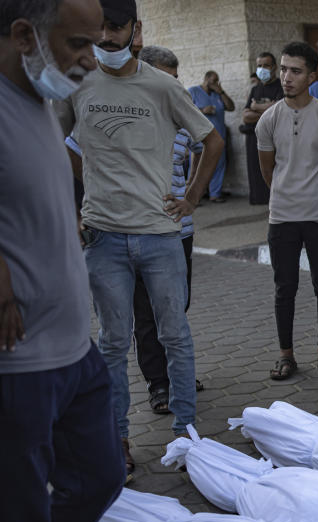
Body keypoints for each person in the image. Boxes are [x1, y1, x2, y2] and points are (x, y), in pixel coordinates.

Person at [0, 0, 125, 522]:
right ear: (25, 35)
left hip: (76, 348)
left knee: (101, 476)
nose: (90, 58)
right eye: (78, 44)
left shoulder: (41, 99)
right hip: (20, 365)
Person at [66, 0, 225, 478]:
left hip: (160, 236)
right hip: (104, 238)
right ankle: (118, 440)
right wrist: (78, 206)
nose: (108, 39)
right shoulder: (76, 86)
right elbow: (65, 149)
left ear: (136, 30)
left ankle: (185, 435)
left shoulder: (162, 87)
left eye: (117, 29)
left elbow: (211, 140)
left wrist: (192, 197)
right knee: (112, 342)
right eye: (101, 30)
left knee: (174, 334)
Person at [65, 44, 204, 415]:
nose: (171, 86)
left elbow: (206, 147)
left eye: (175, 80)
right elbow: (70, 147)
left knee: (174, 321)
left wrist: (190, 197)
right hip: (117, 231)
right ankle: (157, 385)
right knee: (136, 323)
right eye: (164, 78)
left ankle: (182, 405)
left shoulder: (178, 113)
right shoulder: (112, 106)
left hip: (174, 231)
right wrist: (94, 184)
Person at [257, 41, 318, 380]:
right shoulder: (268, 119)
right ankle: (286, 355)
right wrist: (287, 193)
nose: (286, 77)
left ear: (311, 76)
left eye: (295, 71)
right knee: (285, 287)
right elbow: (268, 172)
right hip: (281, 216)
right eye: (283, 69)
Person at [242, 52, 282, 205]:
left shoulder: (280, 87)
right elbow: (245, 116)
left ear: (274, 67)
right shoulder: (255, 89)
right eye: (259, 66)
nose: (262, 69)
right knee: (256, 169)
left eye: (266, 65)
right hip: (253, 136)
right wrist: (267, 110)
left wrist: (255, 107)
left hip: (274, 138)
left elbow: (278, 110)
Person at [189, 69, 234, 203]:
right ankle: (192, 197)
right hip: (201, 138)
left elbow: (231, 107)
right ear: (206, 79)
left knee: (219, 165)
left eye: (217, 81)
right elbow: (185, 109)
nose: (216, 83)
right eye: (214, 81)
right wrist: (203, 110)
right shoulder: (193, 91)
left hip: (219, 137)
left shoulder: (217, 94)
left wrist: (221, 91)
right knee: (197, 168)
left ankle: (215, 194)